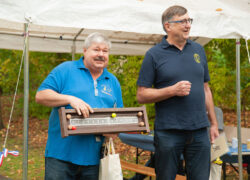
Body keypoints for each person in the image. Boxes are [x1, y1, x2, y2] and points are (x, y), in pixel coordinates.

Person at [136, 5, 219, 180]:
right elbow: (141, 95)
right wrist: (171, 90)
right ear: (168, 26)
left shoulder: (198, 50)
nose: (188, 25)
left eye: (189, 21)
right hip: (168, 132)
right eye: (182, 21)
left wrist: (213, 123)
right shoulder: (154, 55)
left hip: (199, 131)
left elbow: (206, 89)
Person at [35, 32, 123, 180]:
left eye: (105, 51)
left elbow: (119, 117)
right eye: (96, 49)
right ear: (85, 50)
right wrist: (69, 99)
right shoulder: (65, 70)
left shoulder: (112, 81)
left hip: (94, 160)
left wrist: (114, 130)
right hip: (61, 156)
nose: (101, 54)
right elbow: (41, 96)